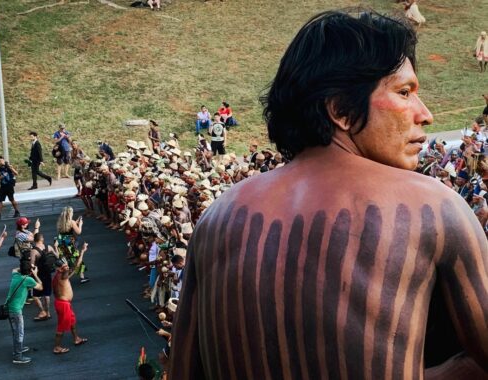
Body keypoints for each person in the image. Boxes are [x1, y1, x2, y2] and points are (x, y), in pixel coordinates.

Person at [169, 9, 488, 379]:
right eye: (404, 92)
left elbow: (183, 370)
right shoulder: (432, 207)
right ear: (341, 110)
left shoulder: (216, 218)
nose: (425, 114)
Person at [52, 242, 88, 354]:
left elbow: (66, 263)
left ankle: (76, 338)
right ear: (59, 269)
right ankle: (57, 347)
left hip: (63, 303)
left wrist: (56, 249)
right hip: (63, 304)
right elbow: (77, 266)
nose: (67, 267)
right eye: (64, 267)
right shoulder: (63, 275)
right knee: (61, 327)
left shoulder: (60, 275)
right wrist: (82, 251)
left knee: (72, 321)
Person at [7, 260, 43, 364]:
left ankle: (18, 349)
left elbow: (14, 269)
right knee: (19, 333)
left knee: (16, 331)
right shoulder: (28, 279)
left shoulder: (16, 275)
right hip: (16, 310)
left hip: (9, 308)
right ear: (30, 271)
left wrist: (25, 267)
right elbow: (41, 287)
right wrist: (35, 274)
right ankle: (17, 356)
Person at [30, 233, 59, 321]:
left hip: (38, 274)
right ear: (42, 239)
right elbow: (57, 257)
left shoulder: (34, 251)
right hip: (48, 273)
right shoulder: (49, 247)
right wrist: (56, 247)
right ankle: (48, 312)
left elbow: (32, 264)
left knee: (35, 295)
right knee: (47, 294)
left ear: (35, 240)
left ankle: (42, 311)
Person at [56, 206, 89, 284]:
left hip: (62, 242)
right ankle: (82, 277)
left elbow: (66, 229)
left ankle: (66, 275)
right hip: (70, 243)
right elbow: (78, 232)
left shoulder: (60, 222)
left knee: (66, 259)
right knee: (77, 258)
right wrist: (80, 224)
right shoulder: (72, 222)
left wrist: (75, 222)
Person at [0, 156, 20, 221]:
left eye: (2, 160)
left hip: (9, 186)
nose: (1, 162)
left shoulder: (8, 166)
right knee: (0, 201)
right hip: (3, 186)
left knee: (12, 199)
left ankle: (17, 212)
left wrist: (11, 168)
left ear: (4, 160)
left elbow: (16, 173)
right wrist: (2, 176)